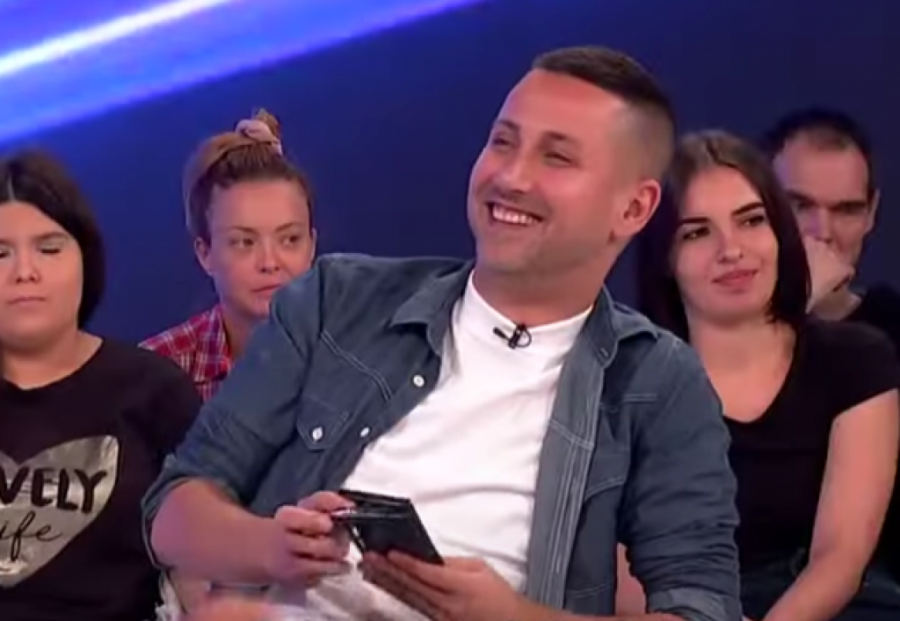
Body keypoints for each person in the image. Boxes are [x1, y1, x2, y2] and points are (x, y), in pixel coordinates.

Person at [144, 46, 742, 620]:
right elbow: (172, 510)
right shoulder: (337, 300)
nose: (510, 176)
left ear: (633, 209)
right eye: (503, 141)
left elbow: (704, 607)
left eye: (556, 158)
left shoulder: (657, 381)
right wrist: (269, 547)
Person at [636, 130, 900, 620]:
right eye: (697, 232)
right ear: (666, 258)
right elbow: (618, 566)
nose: (731, 250)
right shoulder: (628, 381)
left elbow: (840, 557)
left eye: (751, 221)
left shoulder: (857, 360)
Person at [0, 151, 201, 621]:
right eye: (0, 253)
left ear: (85, 260)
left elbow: (205, 564)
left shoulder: (154, 392)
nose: (25, 271)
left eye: (49, 249)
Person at [763, 108, 900, 583]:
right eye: (799, 205)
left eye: (846, 210)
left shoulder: (891, 334)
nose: (822, 231)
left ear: (872, 214)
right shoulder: (700, 332)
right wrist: (795, 307)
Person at [141, 108, 316, 401]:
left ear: (311, 245)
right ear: (205, 253)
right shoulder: (153, 378)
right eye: (244, 242)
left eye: (289, 239)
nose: (270, 263)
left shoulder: (366, 356)